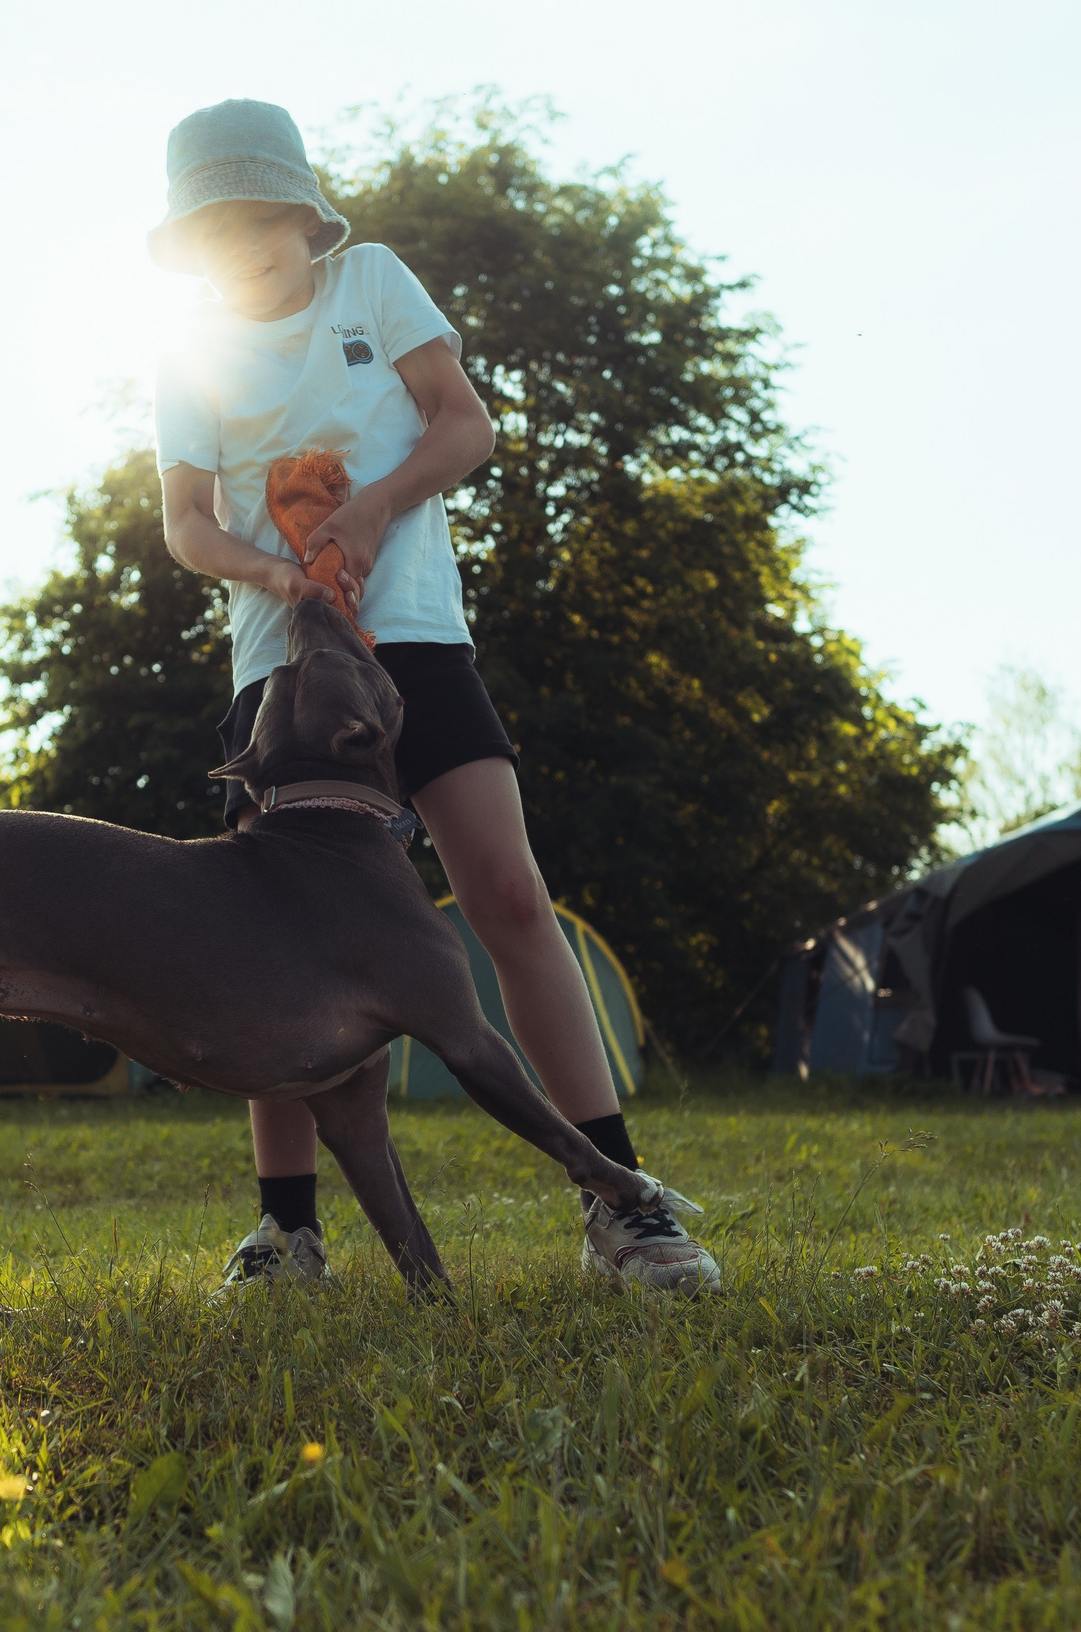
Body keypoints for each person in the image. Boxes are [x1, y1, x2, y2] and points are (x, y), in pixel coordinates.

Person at [147, 99, 719, 1296]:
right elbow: (187, 528)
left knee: (507, 895)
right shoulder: (186, 353)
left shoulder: (371, 282)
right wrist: (277, 573)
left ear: (306, 216)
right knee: (280, 946)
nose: (245, 245)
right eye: (216, 229)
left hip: (411, 637)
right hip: (280, 672)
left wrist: (370, 511)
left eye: (264, 218)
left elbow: (467, 426)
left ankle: (623, 1202)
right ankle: (287, 1232)